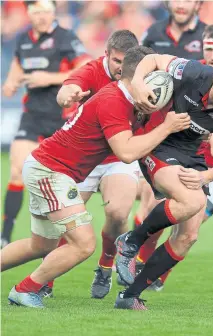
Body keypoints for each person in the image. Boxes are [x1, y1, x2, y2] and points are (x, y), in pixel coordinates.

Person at [1, 45, 191, 309]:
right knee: (83, 244)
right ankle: (25, 290)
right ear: (137, 78)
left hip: (50, 168)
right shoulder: (114, 100)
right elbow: (125, 152)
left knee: (41, 244)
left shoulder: (129, 99)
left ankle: (29, 288)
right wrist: (167, 127)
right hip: (51, 171)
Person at [114, 53, 213, 310]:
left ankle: (129, 295)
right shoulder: (194, 73)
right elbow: (154, 59)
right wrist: (137, 83)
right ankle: (131, 241)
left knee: (189, 235)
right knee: (193, 200)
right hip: (158, 142)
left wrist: (205, 176)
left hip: (192, 155)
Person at [40, 29, 140, 299]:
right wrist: (67, 95)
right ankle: (45, 280)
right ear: (106, 54)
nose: (121, 68)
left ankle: (106, 266)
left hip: (118, 157)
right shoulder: (92, 71)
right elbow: (69, 86)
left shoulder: (141, 76)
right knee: (65, 222)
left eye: (126, 62)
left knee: (119, 213)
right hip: (83, 160)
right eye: (117, 61)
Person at [1, 0, 89, 248]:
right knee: (16, 169)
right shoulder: (23, 38)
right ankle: (5, 234)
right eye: (36, 12)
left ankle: (63, 233)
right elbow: (18, 64)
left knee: (63, 178)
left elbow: (83, 67)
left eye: (45, 12)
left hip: (60, 117)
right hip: (31, 115)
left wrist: (49, 78)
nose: (41, 17)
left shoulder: (65, 37)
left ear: (54, 12)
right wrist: (10, 82)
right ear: (28, 13)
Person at [133, 0, 206, 253]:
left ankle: (141, 262)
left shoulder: (207, 37)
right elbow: (138, 67)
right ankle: (130, 259)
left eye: (188, 0)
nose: (182, 5)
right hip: (154, 125)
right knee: (149, 200)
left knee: (185, 215)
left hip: (190, 134)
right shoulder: (153, 33)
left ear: (199, 4)